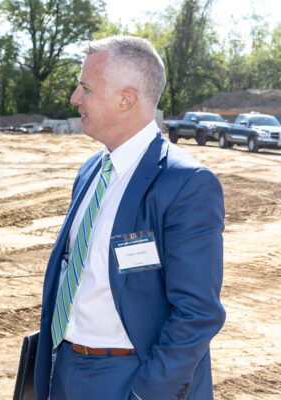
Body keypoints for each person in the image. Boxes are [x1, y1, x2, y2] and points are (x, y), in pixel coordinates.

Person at [33, 36, 225, 400]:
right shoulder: (92, 169)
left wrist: (146, 393)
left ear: (126, 99)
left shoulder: (187, 184)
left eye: (85, 88)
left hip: (129, 379)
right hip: (65, 370)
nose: (75, 98)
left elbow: (198, 313)